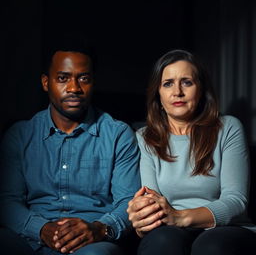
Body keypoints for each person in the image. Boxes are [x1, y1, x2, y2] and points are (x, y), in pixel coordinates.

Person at [0, 37, 141, 255]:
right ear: (46, 82)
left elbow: (129, 202)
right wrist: (41, 229)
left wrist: (99, 229)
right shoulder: (20, 136)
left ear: (93, 82)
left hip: (92, 242)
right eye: (63, 78)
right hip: (30, 240)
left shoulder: (118, 134)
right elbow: (7, 202)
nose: (74, 88)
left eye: (83, 78)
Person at [127, 49, 256, 255]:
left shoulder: (228, 127)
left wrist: (181, 216)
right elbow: (151, 199)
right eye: (168, 83)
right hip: (170, 228)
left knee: (212, 246)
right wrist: (143, 215)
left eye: (187, 82)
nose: (177, 92)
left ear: (201, 89)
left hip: (226, 228)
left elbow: (236, 200)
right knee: (161, 242)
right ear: (158, 93)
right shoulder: (145, 137)